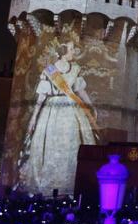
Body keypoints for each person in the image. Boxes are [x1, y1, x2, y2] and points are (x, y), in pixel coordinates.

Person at [17, 41, 98, 195]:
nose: (74, 51)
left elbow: (80, 91)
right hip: (52, 110)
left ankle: (70, 185)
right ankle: (48, 187)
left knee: (72, 145)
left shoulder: (75, 69)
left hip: (72, 111)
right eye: (72, 49)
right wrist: (34, 118)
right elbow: (42, 96)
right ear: (63, 51)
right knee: (50, 145)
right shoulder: (50, 70)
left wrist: (91, 106)